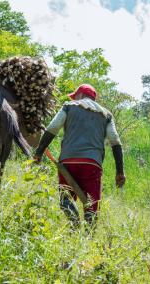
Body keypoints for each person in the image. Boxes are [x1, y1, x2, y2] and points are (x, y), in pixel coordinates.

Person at [33, 84, 126, 230]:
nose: (74, 98)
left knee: (66, 199)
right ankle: (88, 238)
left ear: (80, 95)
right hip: (92, 164)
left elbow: (52, 128)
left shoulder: (69, 106)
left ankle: (74, 226)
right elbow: (115, 141)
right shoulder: (106, 114)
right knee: (92, 205)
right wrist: (120, 172)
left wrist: (39, 153)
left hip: (68, 162)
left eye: (75, 96)